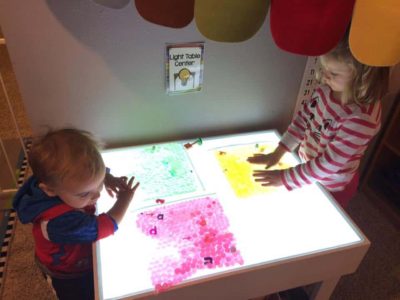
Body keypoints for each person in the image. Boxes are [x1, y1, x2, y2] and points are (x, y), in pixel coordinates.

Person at [248, 36, 389, 208]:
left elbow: (329, 163)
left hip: (333, 187)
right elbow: (302, 121)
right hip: (308, 171)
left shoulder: (361, 119)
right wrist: (279, 152)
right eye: (323, 69)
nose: (323, 77)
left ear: (361, 77)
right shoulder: (326, 90)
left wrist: (286, 178)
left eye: (333, 74)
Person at [13, 128, 140, 300]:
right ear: (50, 190)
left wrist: (107, 178)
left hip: (75, 255)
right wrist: (124, 199)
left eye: (98, 184)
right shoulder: (57, 222)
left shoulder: (61, 180)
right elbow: (101, 227)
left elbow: (89, 175)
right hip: (68, 273)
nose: (97, 195)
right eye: (84, 194)